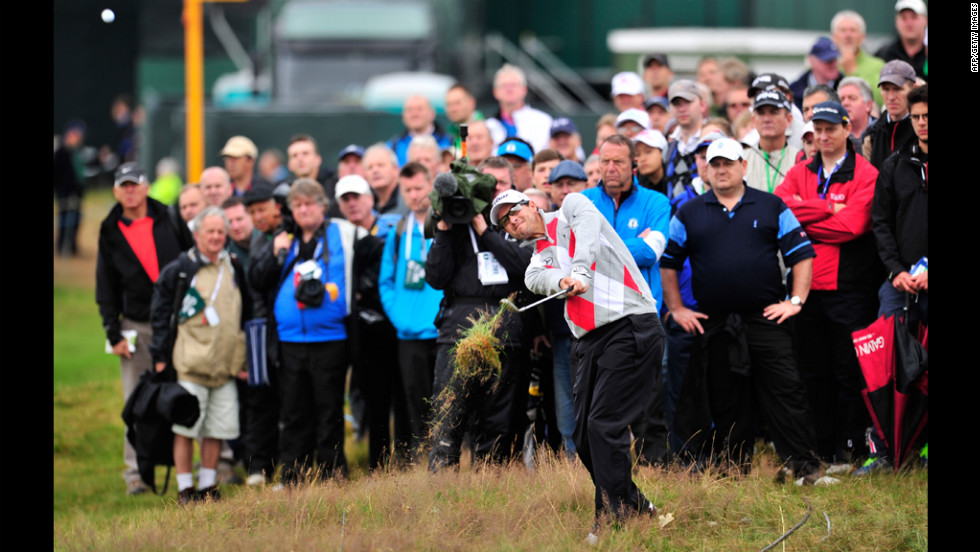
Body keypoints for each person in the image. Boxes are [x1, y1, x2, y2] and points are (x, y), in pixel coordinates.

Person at [490, 189, 662, 537]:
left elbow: (587, 236)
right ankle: (638, 507)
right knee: (582, 436)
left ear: (533, 204)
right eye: (506, 220)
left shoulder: (572, 207)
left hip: (630, 323)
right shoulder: (535, 265)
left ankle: (613, 518)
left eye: (514, 210)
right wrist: (566, 280)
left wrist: (581, 270)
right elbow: (545, 279)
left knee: (604, 425)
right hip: (588, 340)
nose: (513, 219)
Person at [660, 138, 829, 485]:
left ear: (743, 165)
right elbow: (669, 262)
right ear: (705, 170)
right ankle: (733, 468)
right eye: (714, 164)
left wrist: (795, 301)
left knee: (787, 390)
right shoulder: (689, 212)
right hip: (716, 322)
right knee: (726, 398)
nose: (721, 170)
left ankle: (804, 467)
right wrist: (676, 308)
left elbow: (802, 254)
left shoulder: (771, 205)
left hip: (766, 317)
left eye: (728, 163)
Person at [775, 101, 883, 469]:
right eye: (817, 129)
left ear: (846, 129)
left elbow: (851, 227)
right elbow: (780, 208)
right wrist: (827, 208)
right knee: (811, 371)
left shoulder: (865, 172)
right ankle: (819, 446)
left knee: (848, 371)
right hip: (805, 289)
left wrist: (805, 213)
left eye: (830, 129)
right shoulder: (801, 169)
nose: (822, 136)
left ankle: (849, 447)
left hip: (848, 289)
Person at [248, 178, 369, 485]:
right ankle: (294, 475)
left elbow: (372, 258)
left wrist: (356, 294)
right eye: (297, 205)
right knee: (293, 411)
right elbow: (257, 279)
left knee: (328, 409)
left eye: (309, 203)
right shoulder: (283, 239)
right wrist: (274, 250)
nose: (303, 210)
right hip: (289, 340)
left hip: (330, 338)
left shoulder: (342, 234)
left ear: (322, 206)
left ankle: (332, 473)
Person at [425, 167, 532, 472]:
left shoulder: (515, 223)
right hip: (457, 328)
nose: (493, 191)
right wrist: (444, 228)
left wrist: (484, 229)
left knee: (497, 419)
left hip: (504, 329)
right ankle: (442, 489)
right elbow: (435, 277)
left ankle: (490, 487)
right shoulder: (455, 225)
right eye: (488, 184)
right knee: (449, 414)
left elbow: (522, 269)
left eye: (499, 183)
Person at [96, 162, 194, 495]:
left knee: (188, 391)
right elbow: (105, 286)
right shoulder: (109, 230)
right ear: (115, 191)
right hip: (135, 324)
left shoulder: (169, 217)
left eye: (135, 184)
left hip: (178, 322)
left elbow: (191, 259)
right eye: (123, 185)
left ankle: (192, 466)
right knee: (136, 399)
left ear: (146, 186)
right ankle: (136, 473)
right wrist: (113, 333)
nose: (130, 190)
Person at [149, 206, 251, 504]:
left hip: (225, 367)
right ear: (197, 234)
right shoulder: (180, 270)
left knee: (217, 429)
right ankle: (185, 489)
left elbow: (244, 313)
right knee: (185, 428)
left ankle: (207, 486)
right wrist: (159, 356)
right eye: (211, 231)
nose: (217, 237)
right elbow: (160, 314)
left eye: (221, 231)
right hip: (191, 365)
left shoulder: (233, 265)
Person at [582, 135, 671, 465]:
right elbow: (578, 252)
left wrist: (600, 244)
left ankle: (656, 466)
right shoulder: (583, 202)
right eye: (604, 161)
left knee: (649, 401)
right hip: (597, 317)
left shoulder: (656, 202)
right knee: (597, 402)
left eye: (618, 161)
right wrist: (630, 243)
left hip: (641, 315)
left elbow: (652, 251)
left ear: (633, 165)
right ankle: (606, 467)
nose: (610, 168)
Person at [863, 84, 928, 474]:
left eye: (928, 117)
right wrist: (896, 271)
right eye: (917, 117)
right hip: (899, 282)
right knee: (884, 367)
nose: (922, 124)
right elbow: (881, 223)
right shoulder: (896, 163)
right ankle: (886, 449)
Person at [378, 162, 444, 463]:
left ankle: (449, 457)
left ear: (430, 185)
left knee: (445, 400)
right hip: (408, 332)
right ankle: (421, 459)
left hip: (442, 330)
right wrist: (399, 317)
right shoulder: (398, 231)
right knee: (415, 400)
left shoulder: (444, 225)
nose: (414, 195)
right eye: (408, 189)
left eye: (419, 187)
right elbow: (386, 281)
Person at [485, 63, 554, 154]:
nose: (509, 89)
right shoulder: (488, 127)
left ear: (524, 90)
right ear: (495, 92)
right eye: (504, 85)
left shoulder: (543, 121)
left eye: (513, 85)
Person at [862, 60, 918, 169]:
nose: (891, 97)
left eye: (897, 89)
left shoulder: (922, 131)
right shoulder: (871, 135)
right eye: (885, 89)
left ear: (914, 89)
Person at [745, 89, 799, 194]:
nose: (766, 119)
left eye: (774, 112)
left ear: (788, 120)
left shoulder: (800, 158)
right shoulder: (741, 160)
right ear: (753, 121)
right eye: (761, 113)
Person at [830, 9, 886, 106]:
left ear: (862, 37)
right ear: (834, 37)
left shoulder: (878, 65)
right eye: (843, 30)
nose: (848, 35)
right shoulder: (825, 64)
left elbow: (880, 101)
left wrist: (852, 71)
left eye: (853, 30)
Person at [387, 95, 452, 167]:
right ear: (403, 116)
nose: (414, 114)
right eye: (409, 110)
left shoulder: (450, 143)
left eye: (420, 109)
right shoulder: (392, 147)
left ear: (432, 113)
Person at [54, 118, 86, 257]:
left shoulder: (78, 152)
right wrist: (62, 191)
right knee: (64, 218)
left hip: (76, 192)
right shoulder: (61, 152)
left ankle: (72, 246)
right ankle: (61, 246)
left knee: (76, 218)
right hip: (64, 193)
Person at [874, 0, 928, 81]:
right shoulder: (884, 54)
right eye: (904, 18)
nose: (909, 23)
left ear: (925, 20)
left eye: (914, 17)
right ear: (896, 22)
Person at [790, 37, 843, 112]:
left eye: (835, 59)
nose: (833, 64)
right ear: (811, 61)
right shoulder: (794, 92)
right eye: (828, 60)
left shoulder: (847, 91)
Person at [362, 143, 410, 216]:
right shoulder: (365, 206)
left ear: (396, 170)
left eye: (381, 165)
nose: (375, 170)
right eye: (370, 167)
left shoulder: (410, 199)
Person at [837, 76, 877, 147]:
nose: (845, 103)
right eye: (842, 99)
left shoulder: (882, 131)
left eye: (852, 98)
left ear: (868, 105)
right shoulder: (834, 134)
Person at [445, 83, 484, 154]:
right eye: (449, 104)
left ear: (471, 102)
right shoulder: (449, 135)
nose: (453, 109)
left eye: (458, 103)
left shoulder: (488, 132)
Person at [633, 129, 669, 196]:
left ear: (663, 152)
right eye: (637, 154)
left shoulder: (676, 182)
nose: (642, 159)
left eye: (648, 152)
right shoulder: (635, 187)